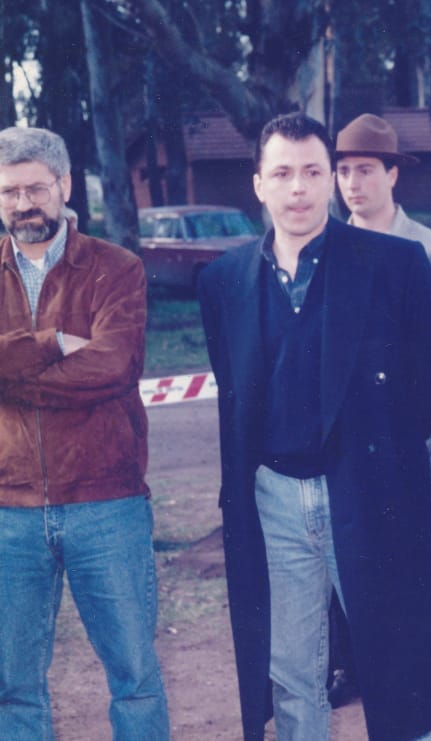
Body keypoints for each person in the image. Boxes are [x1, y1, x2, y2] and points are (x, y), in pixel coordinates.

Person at [198, 112, 431, 740]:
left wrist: (376, 454)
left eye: (314, 172)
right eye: (283, 173)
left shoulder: (396, 263)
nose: (299, 188)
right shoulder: (224, 281)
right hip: (273, 500)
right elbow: (236, 395)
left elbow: (430, 382)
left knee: (395, 665)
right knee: (291, 671)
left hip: (371, 491)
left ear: (331, 180)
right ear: (259, 184)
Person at [0, 126, 170, 738]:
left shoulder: (116, 269)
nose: (24, 204)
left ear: (65, 185)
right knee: (12, 688)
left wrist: (8, 377)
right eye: (10, 191)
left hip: (108, 504)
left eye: (37, 188)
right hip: (8, 512)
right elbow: (80, 364)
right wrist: (51, 344)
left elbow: (114, 365)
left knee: (135, 678)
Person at [333, 112, 431, 719]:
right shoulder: (327, 250)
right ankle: (354, 658)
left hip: (426, 427)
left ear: (393, 174)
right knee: (353, 543)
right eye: (344, 170)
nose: (353, 183)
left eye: (366, 169)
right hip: (353, 434)